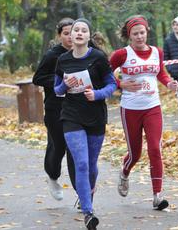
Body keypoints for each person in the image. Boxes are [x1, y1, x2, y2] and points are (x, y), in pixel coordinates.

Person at [109, 15, 178, 211]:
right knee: (135, 153)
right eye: (135, 34)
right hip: (130, 109)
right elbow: (103, 73)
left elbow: (160, 73)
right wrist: (120, 84)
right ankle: (124, 172)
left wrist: (169, 83)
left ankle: (157, 196)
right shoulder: (121, 54)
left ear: (147, 31)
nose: (139, 37)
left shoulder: (158, 52)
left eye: (142, 32)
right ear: (129, 36)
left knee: (155, 148)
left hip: (152, 107)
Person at [54, 18, 117, 230]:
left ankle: (87, 193)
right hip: (71, 116)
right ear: (70, 36)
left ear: (89, 36)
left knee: (90, 166)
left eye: (83, 30)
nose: (79, 33)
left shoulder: (98, 58)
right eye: (75, 30)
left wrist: (97, 94)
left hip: (95, 116)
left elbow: (112, 85)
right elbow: (57, 90)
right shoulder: (62, 60)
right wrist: (64, 84)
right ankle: (88, 213)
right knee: (80, 163)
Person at [32, 18, 76, 201]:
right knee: (58, 147)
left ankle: (83, 193)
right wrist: (60, 82)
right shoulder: (53, 55)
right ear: (59, 36)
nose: (70, 37)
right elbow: (38, 78)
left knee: (76, 150)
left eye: (72, 33)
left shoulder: (85, 53)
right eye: (65, 34)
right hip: (55, 109)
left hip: (77, 109)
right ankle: (52, 176)